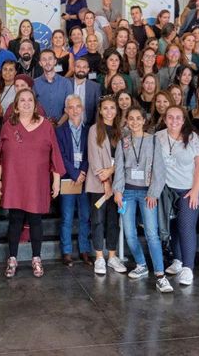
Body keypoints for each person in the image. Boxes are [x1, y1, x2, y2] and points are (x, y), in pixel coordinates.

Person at [0, 89, 64, 278]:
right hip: (14, 182)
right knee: (15, 220)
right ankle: (12, 259)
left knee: (35, 221)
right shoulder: (8, 126)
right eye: (22, 100)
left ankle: (36, 258)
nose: (26, 103)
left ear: (35, 104)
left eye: (30, 100)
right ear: (15, 106)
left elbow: (55, 155)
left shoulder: (46, 126)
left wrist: (56, 182)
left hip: (37, 182)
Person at [113, 107, 173, 292]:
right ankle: (141, 264)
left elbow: (160, 171)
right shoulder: (123, 143)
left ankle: (160, 275)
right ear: (127, 121)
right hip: (128, 193)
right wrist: (117, 191)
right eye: (131, 119)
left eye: (138, 118)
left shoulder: (153, 141)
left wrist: (154, 193)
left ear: (143, 120)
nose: (134, 122)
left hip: (147, 193)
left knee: (151, 234)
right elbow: (120, 170)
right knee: (130, 234)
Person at [150, 105, 199, 287]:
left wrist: (196, 191)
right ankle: (178, 260)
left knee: (186, 225)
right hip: (167, 190)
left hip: (188, 189)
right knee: (172, 225)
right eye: (170, 117)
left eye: (178, 118)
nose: (174, 121)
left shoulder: (193, 138)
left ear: (183, 120)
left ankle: (188, 268)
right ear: (165, 119)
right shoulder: (157, 137)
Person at [86, 97, 125, 275]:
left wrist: (112, 172)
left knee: (113, 221)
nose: (109, 111)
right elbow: (94, 160)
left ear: (117, 111)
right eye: (105, 108)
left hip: (117, 184)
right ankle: (99, 257)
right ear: (100, 110)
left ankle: (112, 256)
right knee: (98, 220)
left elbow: (125, 159)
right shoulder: (94, 130)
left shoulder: (122, 131)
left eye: (112, 108)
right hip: (98, 185)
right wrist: (106, 181)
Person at [55, 95, 92, 267]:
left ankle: (84, 249)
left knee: (85, 216)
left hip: (85, 180)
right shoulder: (59, 131)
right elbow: (60, 156)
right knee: (67, 217)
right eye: (71, 107)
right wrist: (74, 173)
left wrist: (83, 171)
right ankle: (67, 252)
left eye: (78, 106)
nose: (75, 110)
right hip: (68, 179)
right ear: (66, 110)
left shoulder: (89, 131)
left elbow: (90, 154)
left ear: (82, 108)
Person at [33, 50, 73, 124]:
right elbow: (32, 107)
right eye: (44, 59)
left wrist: (58, 125)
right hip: (40, 126)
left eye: (50, 59)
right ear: (40, 63)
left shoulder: (66, 83)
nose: (47, 62)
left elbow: (70, 107)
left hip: (61, 127)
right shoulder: (34, 83)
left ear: (55, 61)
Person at [71, 58, 101, 126]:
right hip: (67, 125)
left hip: (87, 126)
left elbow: (98, 109)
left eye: (84, 67)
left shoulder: (95, 87)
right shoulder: (66, 83)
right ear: (74, 68)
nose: (81, 69)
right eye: (78, 67)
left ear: (88, 69)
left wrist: (95, 126)